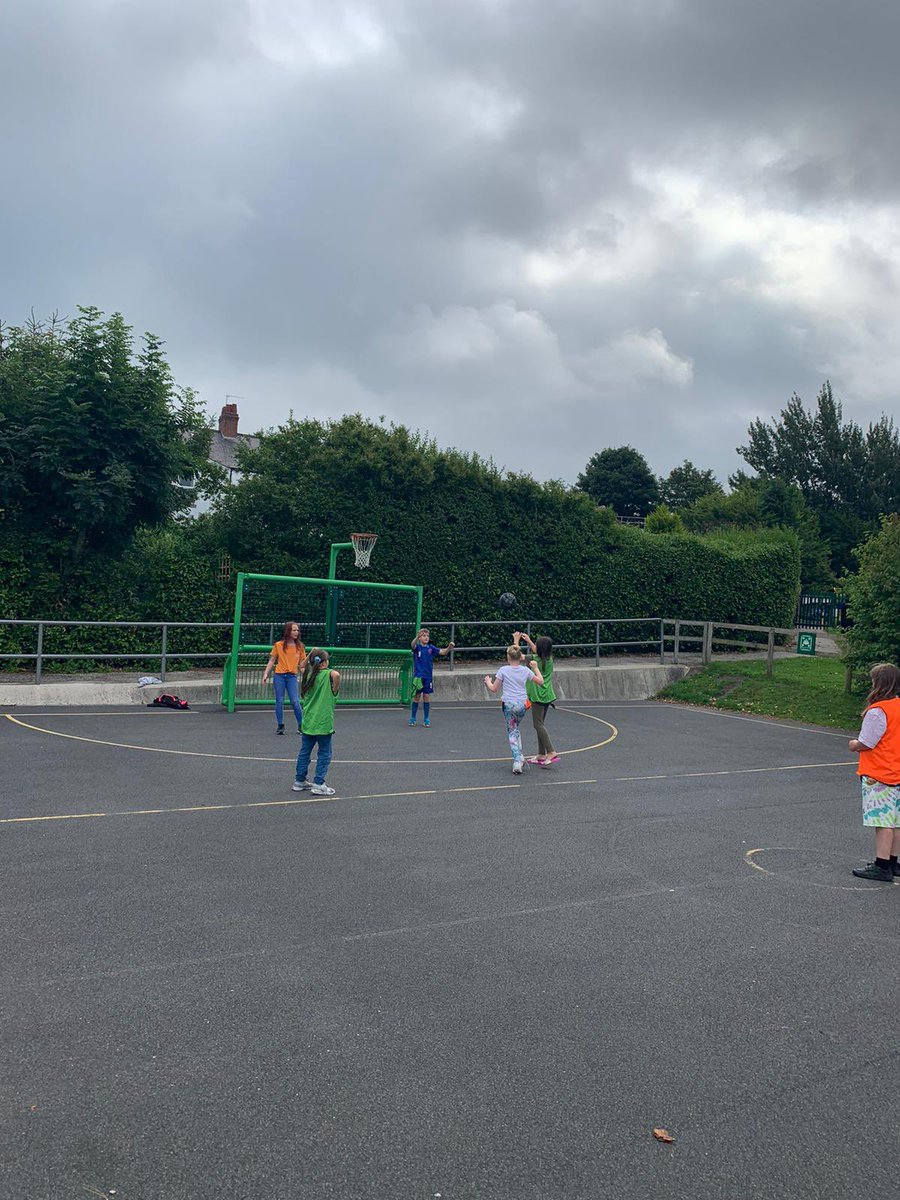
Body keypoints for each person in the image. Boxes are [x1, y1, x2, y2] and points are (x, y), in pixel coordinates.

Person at [849, 662, 900, 882]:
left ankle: (881, 865)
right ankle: (892, 861)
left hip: (880, 771)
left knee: (882, 821)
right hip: (896, 768)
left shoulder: (878, 711)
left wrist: (853, 744)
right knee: (895, 821)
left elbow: (867, 742)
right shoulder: (898, 705)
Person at [484, 645, 544, 774]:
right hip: (522, 705)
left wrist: (488, 681)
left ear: (508, 657)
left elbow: (494, 689)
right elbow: (540, 681)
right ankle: (520, 755)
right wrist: (535, 668)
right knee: (515, 729)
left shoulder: (503, 670)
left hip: (509, 705)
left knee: (512, 731)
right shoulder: (525, 670)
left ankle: (517, 760)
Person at [292, 648, 341, 797]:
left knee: (304, 752)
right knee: (325, 753)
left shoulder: (308, 675)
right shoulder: (328, 675)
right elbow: (336, 674)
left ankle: (299, 780)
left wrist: (310, 655)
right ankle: (319, 783)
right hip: (323, 723)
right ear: (324, 663)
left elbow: (301, 667)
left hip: (308, 722)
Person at [514, 630, 559, 767]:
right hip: (547, 695)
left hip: (537, 696)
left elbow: (516, 655)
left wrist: (516, 640)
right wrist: (529, 641)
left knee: (538, 725)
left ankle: (551, 751)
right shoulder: (548, 659)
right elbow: (539, 651)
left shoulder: (533, 660)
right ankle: (541, 754)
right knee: (540, 724)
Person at [262, 621, 306, 735]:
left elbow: (302, 665)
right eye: (294, 630)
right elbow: (272, 660)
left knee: (295, 701)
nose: (296, 632)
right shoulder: (279, 645)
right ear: (288, 631)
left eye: (297, 630)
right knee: (279, 701)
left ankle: (301, 725)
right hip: (280, 675)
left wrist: (307, 675)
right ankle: (280, 725)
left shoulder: (300, 647)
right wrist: (266, 673)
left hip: (292, 676)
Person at [409, 628, 455, 727]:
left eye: (427, 636)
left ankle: (426, 719)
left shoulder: (430, 648)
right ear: (420, 637)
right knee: (416, 697)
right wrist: (417, 636)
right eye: (424, 636)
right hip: (418, 676)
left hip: (428, 677)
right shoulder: (417, 648)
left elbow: (443, 652)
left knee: (426, 697)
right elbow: (412, 645)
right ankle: (413, 718)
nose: (426, 638)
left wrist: (449, 648)